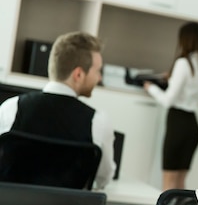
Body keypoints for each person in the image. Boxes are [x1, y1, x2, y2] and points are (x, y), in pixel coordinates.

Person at [0, 31, 116, 189]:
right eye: (97, 71)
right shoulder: (98, 122)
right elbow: (102, 179)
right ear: (79, 74)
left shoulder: (11, 107)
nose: (99, 78)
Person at [144, 21, 198, 191]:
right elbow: (194, 88)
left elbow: (168, 100)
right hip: (192, 125)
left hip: (177, 122)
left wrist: (151, 88)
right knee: (180, 184)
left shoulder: (183, 63)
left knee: (168, 182)